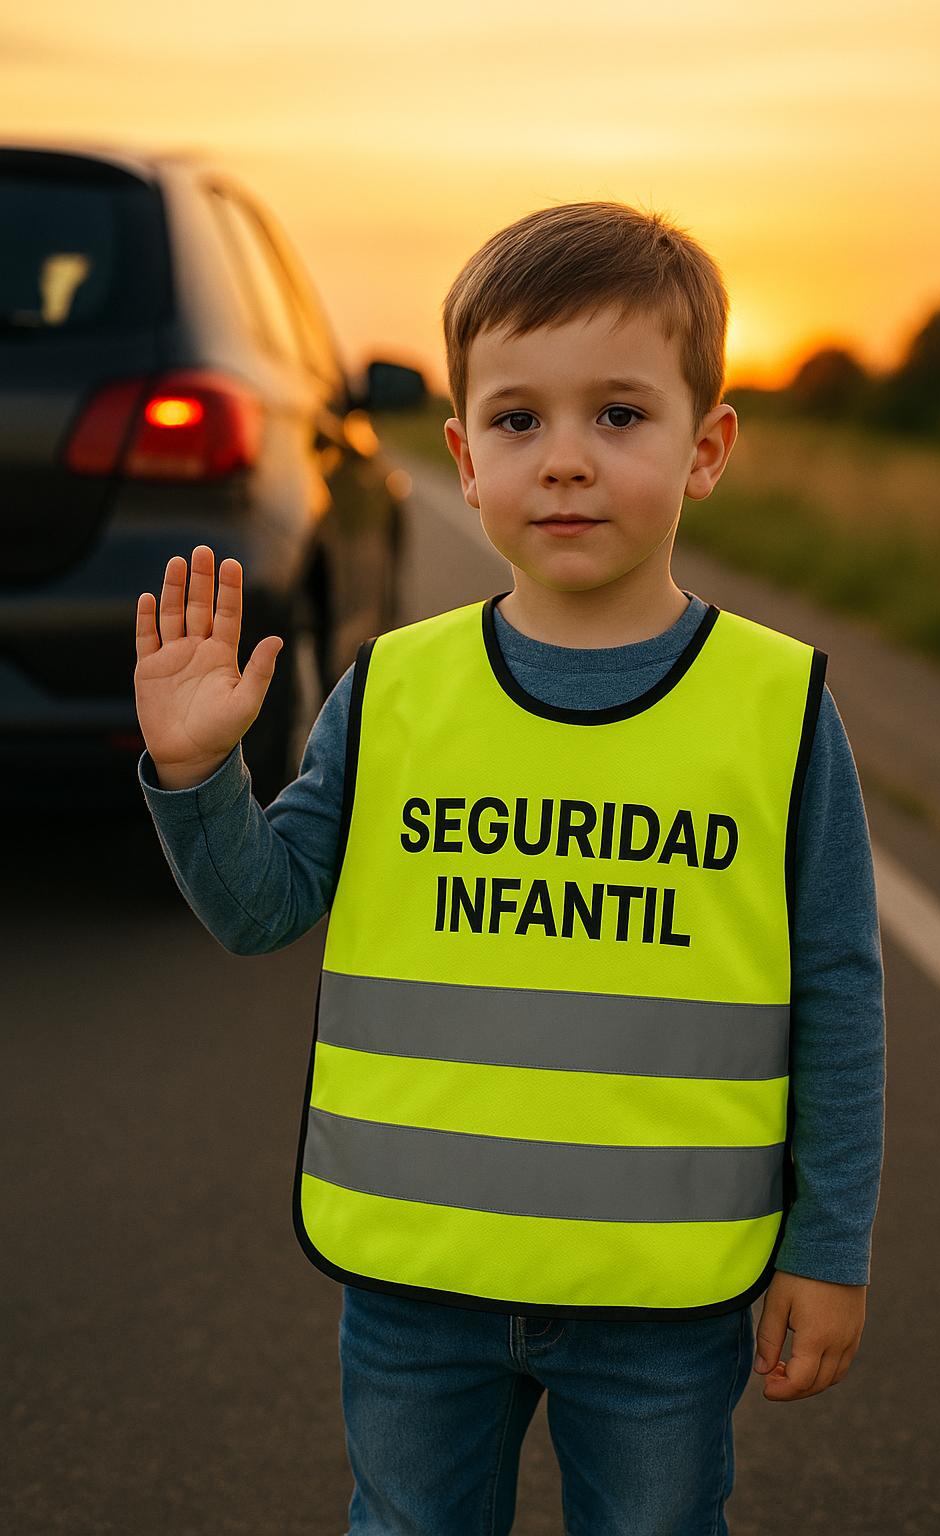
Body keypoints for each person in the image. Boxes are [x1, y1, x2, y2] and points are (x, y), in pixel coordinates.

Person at [134, 200, 886, 1536]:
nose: (566, 463)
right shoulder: (396, 689)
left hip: (663, 1297)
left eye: (620, 415)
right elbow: (263, 913)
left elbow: (836, 991)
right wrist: (201, 781)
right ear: (464, 461)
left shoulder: (777, 706)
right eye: (520, 420)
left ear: (706, 448)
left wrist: (825, 1251)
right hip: (419, 1285)